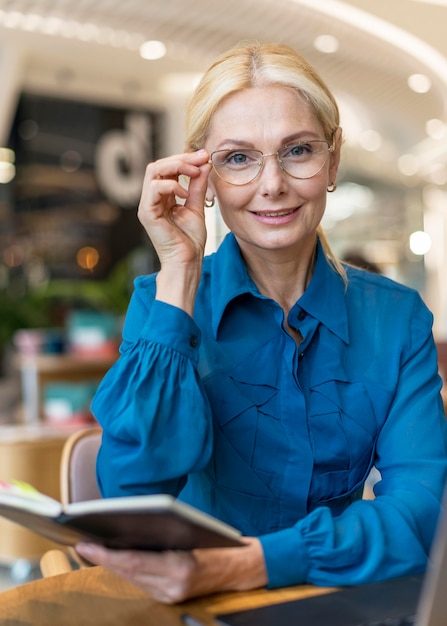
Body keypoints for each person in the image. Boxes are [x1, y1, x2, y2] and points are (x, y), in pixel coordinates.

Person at [76, 41, 447, 603]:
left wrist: (241, 566)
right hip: (195, 610)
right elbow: (130, 498)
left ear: (333, 162)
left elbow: (422, 515)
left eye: (297, 151)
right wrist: (179, 270)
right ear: (203, 176)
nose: (271, 184)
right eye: (239, 158)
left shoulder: (397, 318)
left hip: (335, 601)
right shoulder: (163, 303)